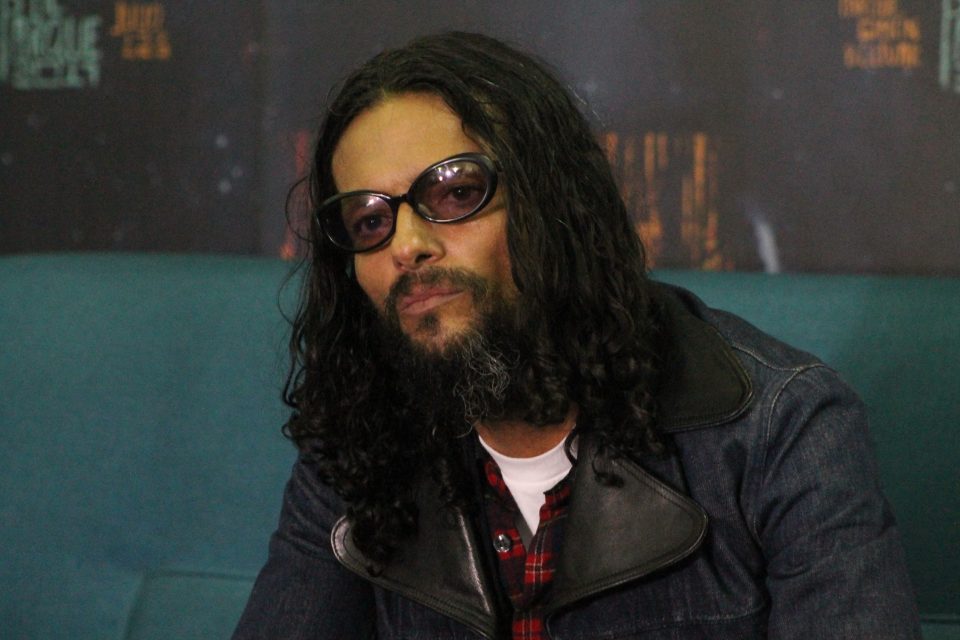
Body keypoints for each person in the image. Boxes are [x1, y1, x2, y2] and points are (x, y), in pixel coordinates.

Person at [234, 32, 920, 639]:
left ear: (553, 202)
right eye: (368, 221)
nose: (405, 245)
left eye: (456, 193)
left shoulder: (784, 429)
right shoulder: (356, 446)